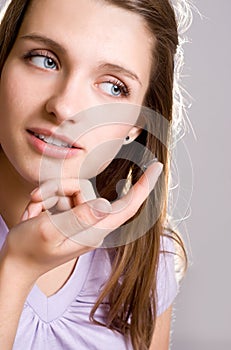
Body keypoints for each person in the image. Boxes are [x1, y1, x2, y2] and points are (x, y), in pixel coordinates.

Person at [0, 0, 191, 349]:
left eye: (113, 86)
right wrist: (16, 271)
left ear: (137, 125)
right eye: (45, 59)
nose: (64, 107)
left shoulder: (146, 265)